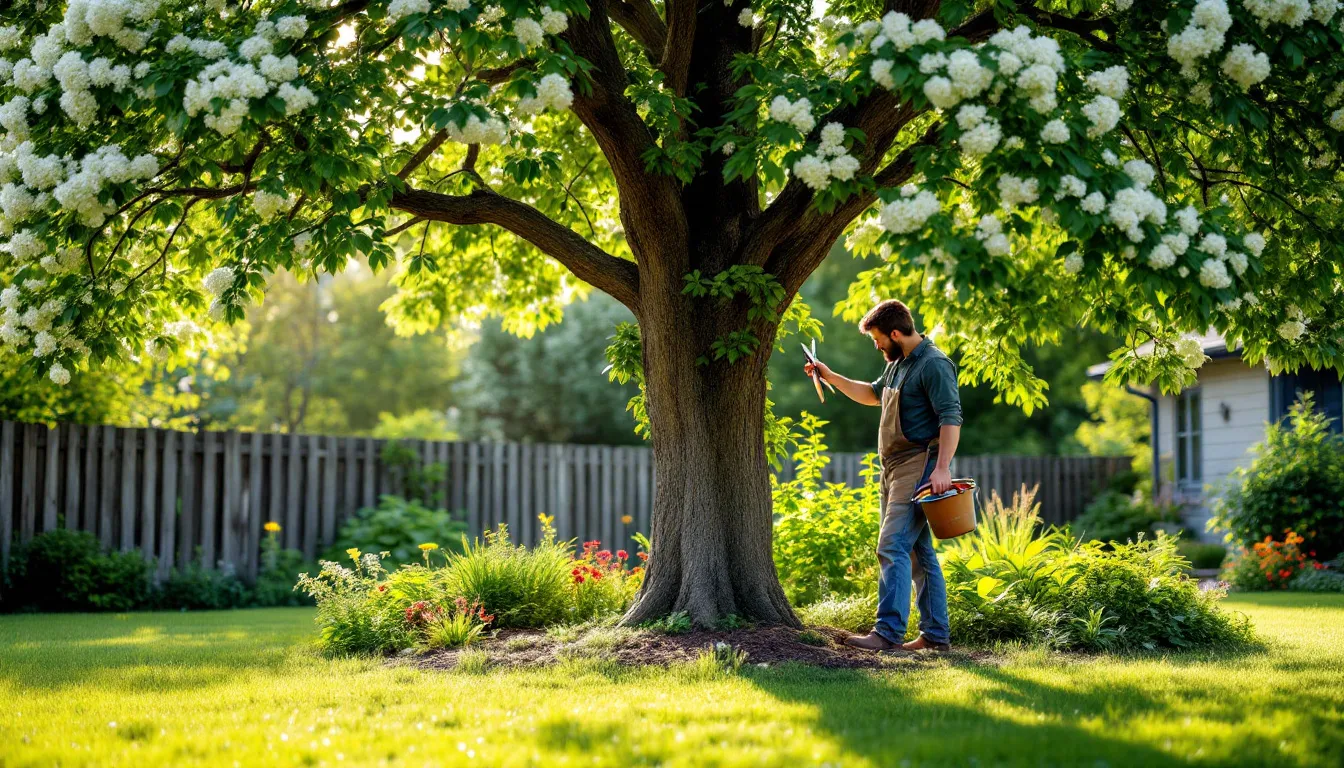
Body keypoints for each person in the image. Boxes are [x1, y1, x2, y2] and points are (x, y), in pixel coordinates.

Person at [803, 299, 961, 652]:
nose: (876, 346)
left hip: (918, 465)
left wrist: (942, 468)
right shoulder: (897, 365)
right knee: (919, 552)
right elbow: (872, 395)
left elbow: (951, 418)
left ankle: (886, 633)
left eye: (877, 340)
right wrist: (826, 375)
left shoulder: (934, 365)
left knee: (891, 545)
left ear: (894, 333)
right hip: (891, 468)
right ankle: (936, 637)